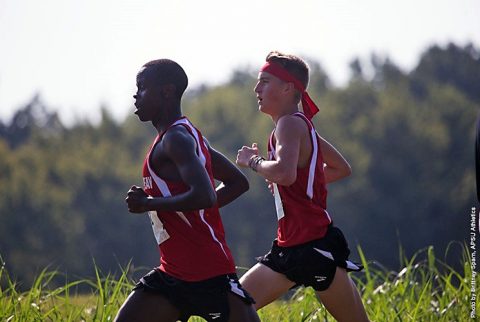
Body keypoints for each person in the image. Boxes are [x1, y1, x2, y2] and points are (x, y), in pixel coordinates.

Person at [115, 59, 260, 322]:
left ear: (167, 92)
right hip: (173, 274)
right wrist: (195, 213)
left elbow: (205, 195)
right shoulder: (189, 136)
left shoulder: (176, 139)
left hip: (211, 273)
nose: (136, 95)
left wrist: (148, 203)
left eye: (142, 87)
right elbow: (236, 184)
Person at [236, 51, 370, 322]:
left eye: (264, 81)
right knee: (234, 309)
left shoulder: (288, 124)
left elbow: (285, 172)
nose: (256, 88)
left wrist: (255, 162)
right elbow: (339, 168)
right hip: (291, 248)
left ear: (288, 88)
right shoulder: (301, 126)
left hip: (312, 248)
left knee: (234, 311)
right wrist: (290, 183)